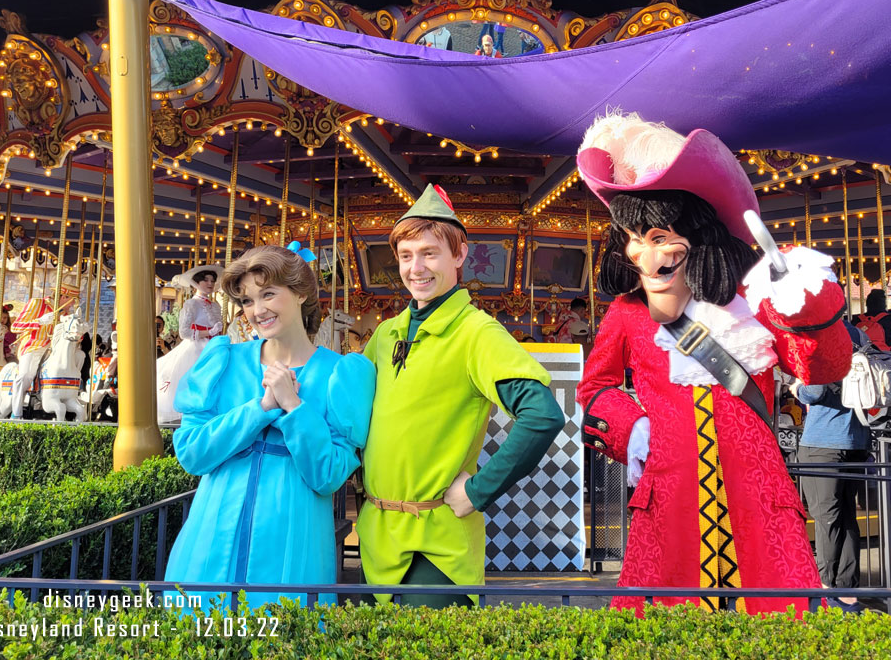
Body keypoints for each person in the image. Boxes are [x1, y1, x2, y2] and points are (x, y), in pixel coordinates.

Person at [575, 113, 852, 616]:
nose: (644, 253)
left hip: (759, 502)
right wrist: (631, 428)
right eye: (633, 239)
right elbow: (595, 389)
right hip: (667, 506)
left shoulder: (757, 299)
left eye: (658, 237)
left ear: (696, 237)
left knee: (776, 631)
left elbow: (825, 370)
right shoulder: (627, 314)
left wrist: (805, 305)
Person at [357, 184, 565, 607]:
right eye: (406, 255)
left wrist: (478, 491)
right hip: (375, 537)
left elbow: (542, 415)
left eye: (430, 252)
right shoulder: (385, 334)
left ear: (459, 255)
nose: (416, 267)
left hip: (434, 547)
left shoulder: (477, 332)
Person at [164, 244, 374, 611]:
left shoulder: (341, 374)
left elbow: (327, 477)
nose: (257, 310)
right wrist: (260, 408)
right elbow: (193, 454)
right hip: (211, 536)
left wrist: (294, 407)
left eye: (268, 294)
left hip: (292, 542)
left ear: (301, 293)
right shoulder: (223, 360)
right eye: (247, 300)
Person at [791, 321, 871, 606]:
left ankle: (826, 586)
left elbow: (815, 392)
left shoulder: (827, 338)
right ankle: (848, 588)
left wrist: (797, 388)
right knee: (847, 514)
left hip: (824, 441)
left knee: (826, 515)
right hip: (857, 440)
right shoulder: (860, 336)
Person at [155, 264, 224, 424]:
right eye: (205, 280)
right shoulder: (191, 304)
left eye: (212, 281)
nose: (209, 284)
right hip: (196, 347)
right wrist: (209, 332)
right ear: (196, 283)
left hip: (213, 346)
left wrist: (216, 332)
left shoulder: (215, 305)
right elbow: (184, 332)